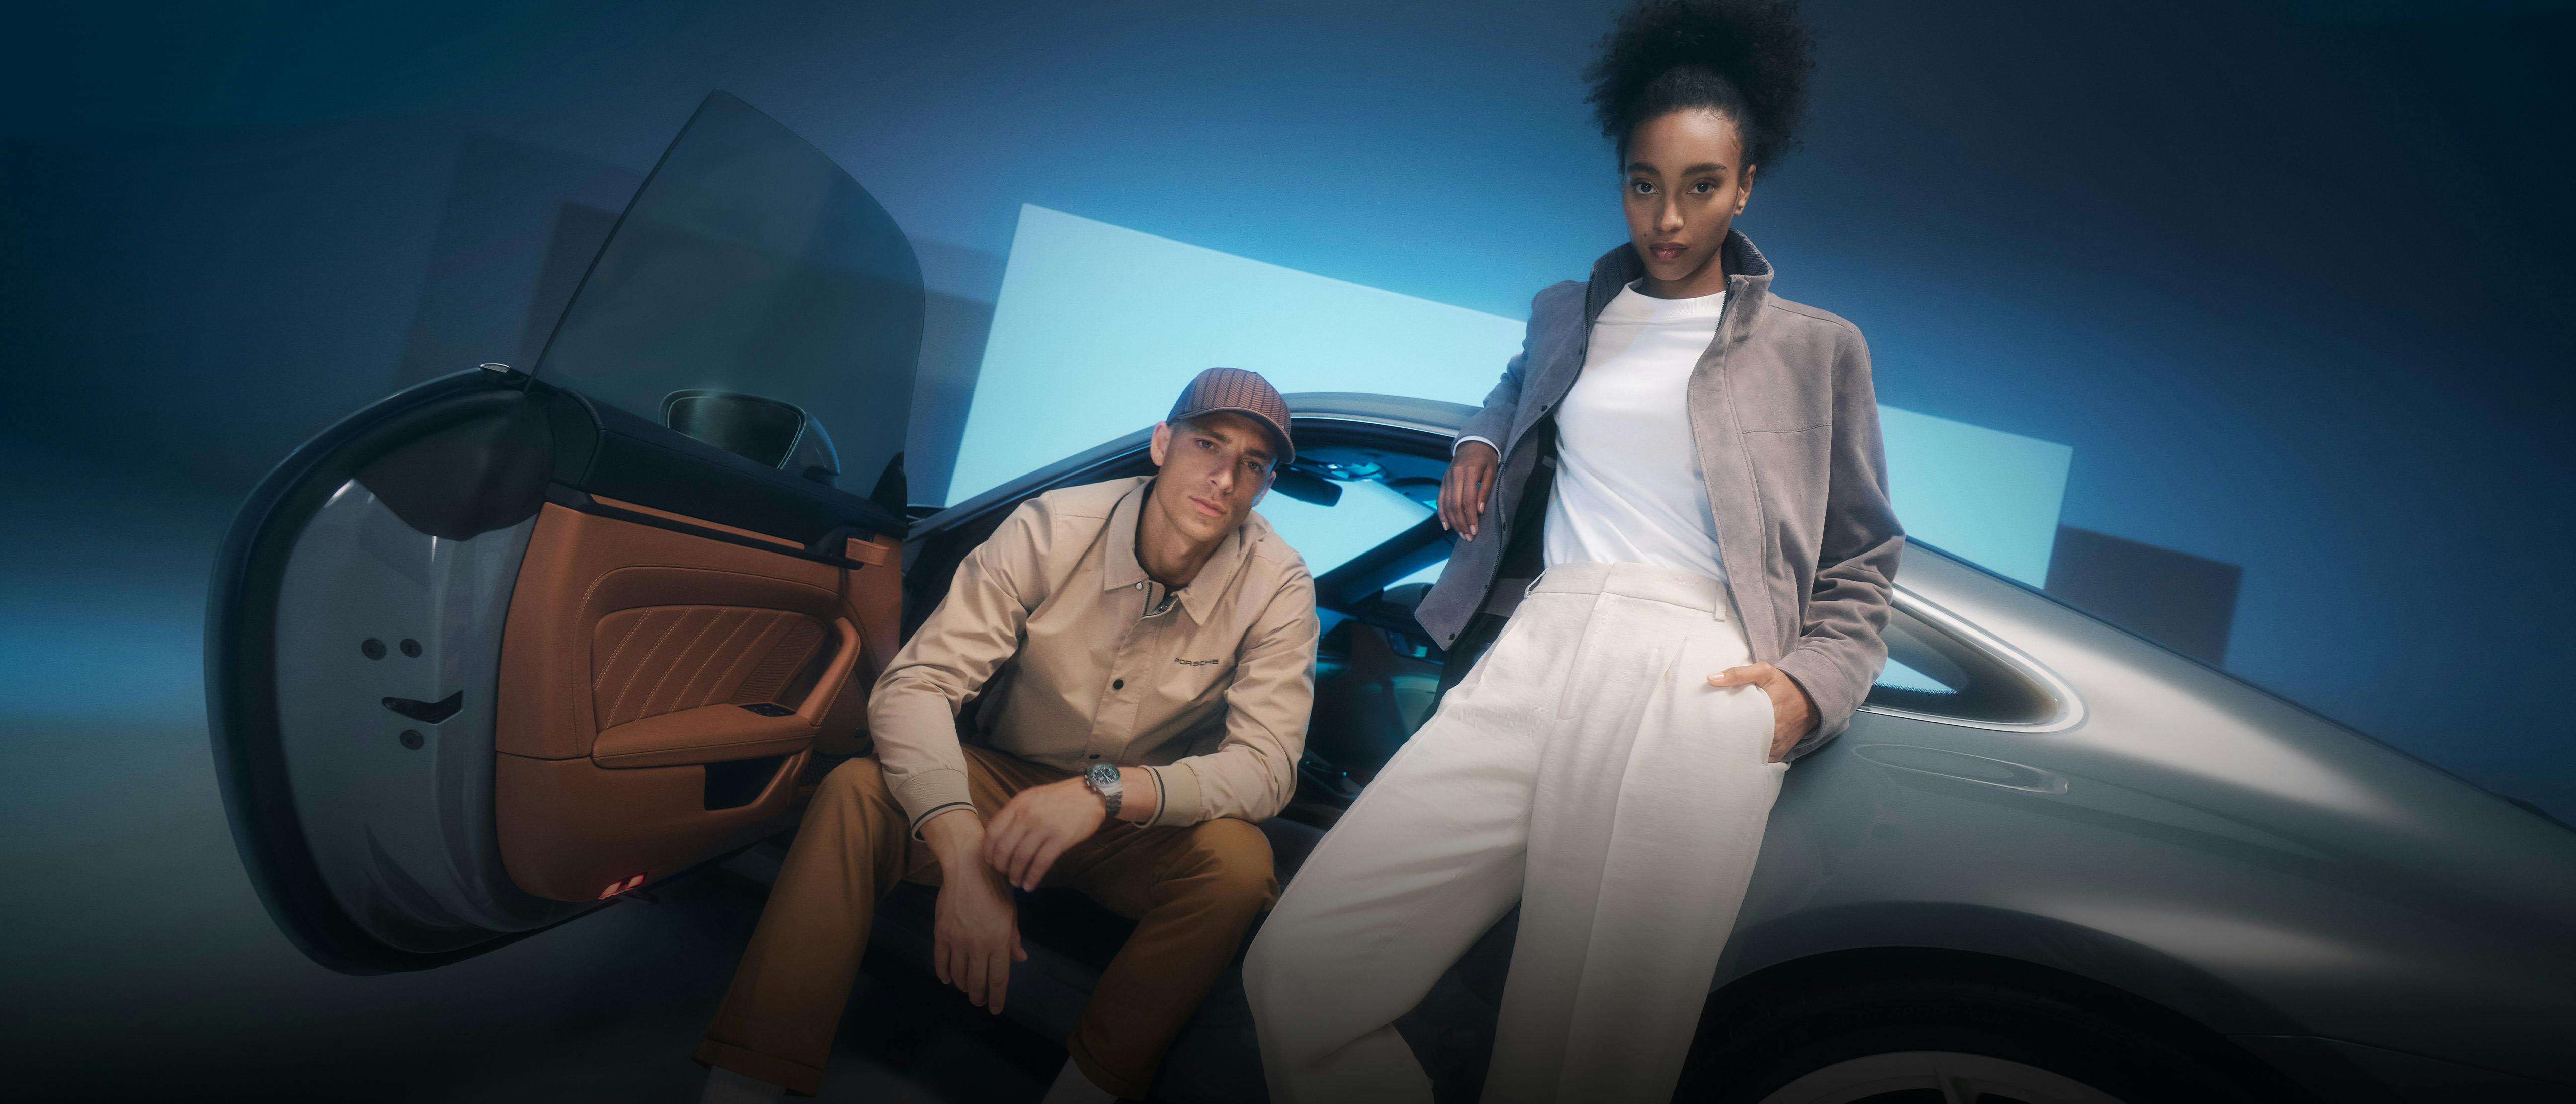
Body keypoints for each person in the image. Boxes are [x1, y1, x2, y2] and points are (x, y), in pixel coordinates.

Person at [1244, 2, 1902, 1101]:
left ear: (1746, 186)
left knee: (1580, 1063)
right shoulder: (1569, 309)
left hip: (1695, 675)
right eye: (1644, 181)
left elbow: (1862, 555)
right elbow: (1520, 386)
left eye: (1701, 184)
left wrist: (1802, 691)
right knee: (1299, 973)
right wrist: (1475, 433)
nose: (1668, 214)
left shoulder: (1817, 349)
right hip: (1538, 647)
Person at [695, 367, 1322, 1103]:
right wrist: (962, 855)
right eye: (1208, 444)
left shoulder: (1279, 584)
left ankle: (1088, 1089)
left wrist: (1106, 793)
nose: (1224, 477)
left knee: (1240, 866)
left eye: (1252, 464)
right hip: (1005, 784)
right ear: (1161, 444)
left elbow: (1268, 766)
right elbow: (917, 684)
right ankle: (747, 1083)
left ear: (1265, 487)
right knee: (856, 790)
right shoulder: (1053, 526)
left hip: (1133, 822)